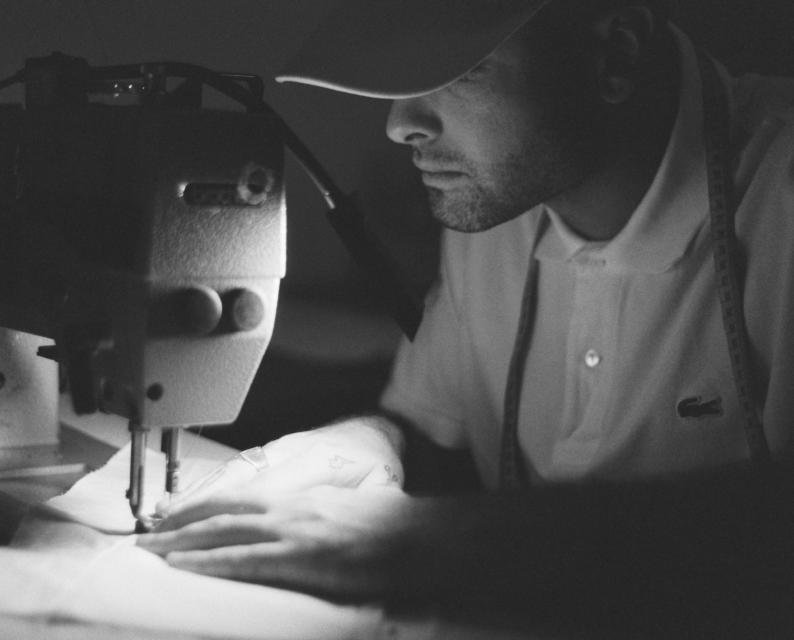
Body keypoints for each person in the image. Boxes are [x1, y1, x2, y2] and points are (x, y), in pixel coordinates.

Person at [140, 1, 794, 636]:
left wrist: (432, 544)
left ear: (614, 53)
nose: (400, 125)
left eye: (451, 72)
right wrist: (367, 446)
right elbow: (433, 433)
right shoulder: (501, 201)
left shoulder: (779, 193)